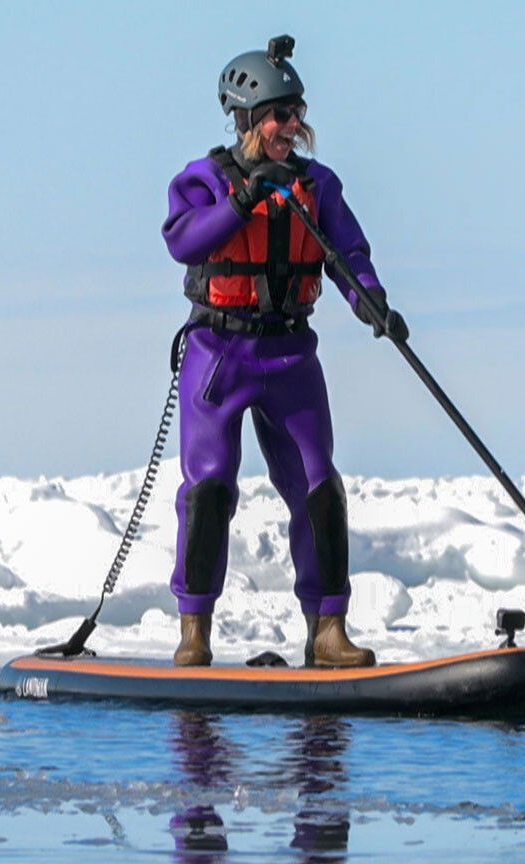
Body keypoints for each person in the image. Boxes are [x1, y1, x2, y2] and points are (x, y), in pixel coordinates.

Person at [161, 35, 407, 668]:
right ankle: (194, 633)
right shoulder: (203, 181)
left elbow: (350, 254)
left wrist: (372, 303)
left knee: (319, 486)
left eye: (296, 113)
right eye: (279, 115)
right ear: (246, 120)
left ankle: (327, 630)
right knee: (209, 489)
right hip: (219, 353)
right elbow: (184, 241)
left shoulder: (317, 186)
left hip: (292, 355)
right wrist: (245, 197)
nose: (292, 127)